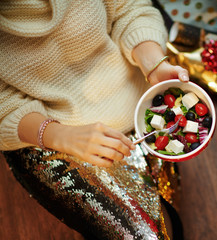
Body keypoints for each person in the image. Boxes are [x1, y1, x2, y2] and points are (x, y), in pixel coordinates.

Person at [0, 0, 189, 239]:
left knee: (169, 212)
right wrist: (61, 135)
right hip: (47, 135)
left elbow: (130, 8)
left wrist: (153, 66)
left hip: (137, 97)